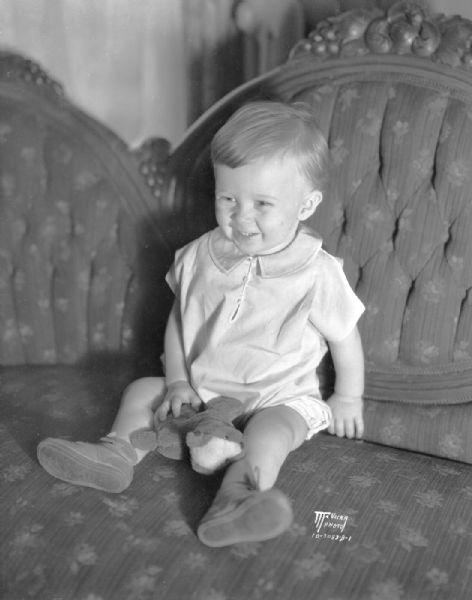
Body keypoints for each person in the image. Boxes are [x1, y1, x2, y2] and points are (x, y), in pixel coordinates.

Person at [37, 100, 365, 547]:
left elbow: (345, 339)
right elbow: (179, 321)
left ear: (306, 205)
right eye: (228, 198)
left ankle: (238, 496)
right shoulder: (199, 256)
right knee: (142, 391)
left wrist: (348, 397)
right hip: (200, 391)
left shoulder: (318, 272)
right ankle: (114, 454)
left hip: (278, 396)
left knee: (272, 432)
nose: (240, 217)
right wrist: (175, 382)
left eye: (262, 204)